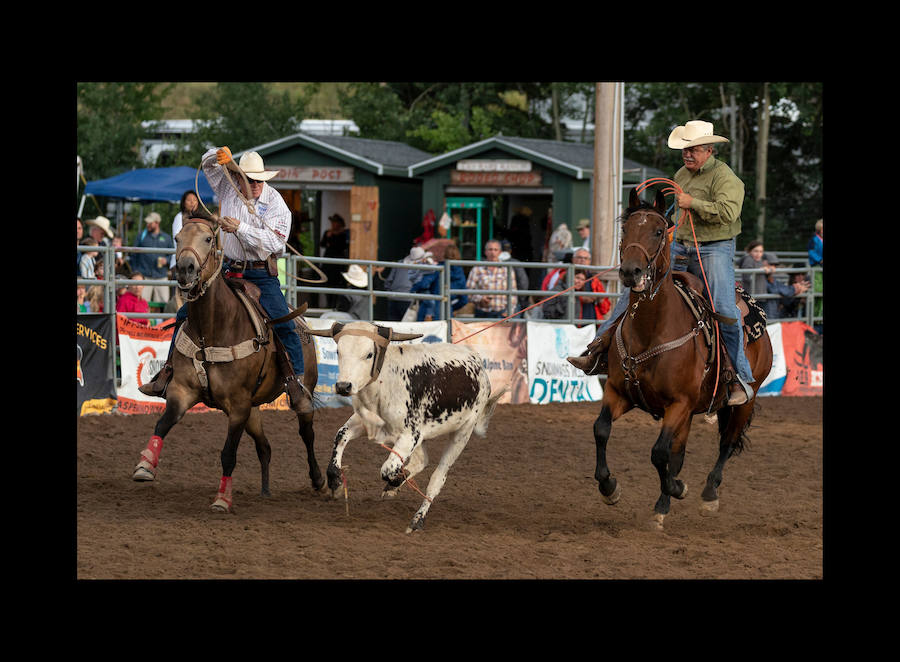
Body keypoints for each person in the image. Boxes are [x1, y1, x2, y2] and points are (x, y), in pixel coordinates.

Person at [570, 119, 755, 406]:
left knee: (723, 308)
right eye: (685, 149)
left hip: (715, 248)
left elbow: (729, 213)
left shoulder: (726, 178)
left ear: (708, 150)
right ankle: (597, 351)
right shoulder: (681, 173)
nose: (687, 154)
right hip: (680, 246)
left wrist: (692, 203)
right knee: (634, 290)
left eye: (692, 149)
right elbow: (672, 212)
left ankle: (741, 377)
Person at [140, 146, 312, 414]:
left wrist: (240, 228)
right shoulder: (228, 188)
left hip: (261, 273)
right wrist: (218, 154)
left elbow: (275, 243)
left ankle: (296, 383)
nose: (254, 184)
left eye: (258, 180)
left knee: (281, 319)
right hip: (230, 270)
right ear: (239, 176)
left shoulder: (277, 204)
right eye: (249, 179)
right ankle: (167, 372)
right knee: (186, 313)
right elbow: (207, 165)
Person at [465, 238, 517, 318]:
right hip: (482, 313)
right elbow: (468, 291)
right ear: (485, 252)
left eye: (495, 250)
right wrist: (480, 298)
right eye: (490, 249)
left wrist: (509, 311)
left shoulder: (507, 269)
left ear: (500, 253)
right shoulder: (477, 269)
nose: (493, 252)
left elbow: (513, 293)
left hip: (501, 313)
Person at [377, 246, 431, 321]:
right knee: (408, 326)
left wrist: (390, 293)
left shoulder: (399, 263)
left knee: (393, 324)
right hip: (408, 299)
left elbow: (388, 282)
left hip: (393, 297)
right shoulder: (423, 267)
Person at [131, 212, 174, 306]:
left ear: (157, 223)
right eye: (147, 223)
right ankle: (145, 321)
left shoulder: (166, 238)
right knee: (142, 304)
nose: (147, 225)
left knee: (163, 305)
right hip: (144, 277)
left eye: (150, 223)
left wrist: (166, 260)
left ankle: (160, 321)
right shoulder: (141, 236)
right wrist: (136, 272)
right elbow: (133, 254)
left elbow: (173, 255)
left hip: (161, 277)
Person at [543, 270, 608, 323]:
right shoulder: (556, 290)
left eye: (582, 280)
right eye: (577, 278)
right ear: (569, 277)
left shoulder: (576, 293)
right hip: (556, 329)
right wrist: (566, 302)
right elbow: (548, 312)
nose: (579, 282)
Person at [760, 252, 810, 321]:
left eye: (803, 274)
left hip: (775, 319)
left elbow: (778, 288)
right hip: (771, 319)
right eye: (798, 274)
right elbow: (775, 290)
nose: (800, 277)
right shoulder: (760, 277)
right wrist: (795, 291)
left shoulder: (773, 280)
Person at [320, 213, 350, 307]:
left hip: (338, 264)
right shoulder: (327, 232)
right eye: (332, 222)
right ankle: (329, 304)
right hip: (328, 264)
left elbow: (341, 246)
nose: (333, 224)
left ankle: (336, 305)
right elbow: (322, 244)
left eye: (335, 222)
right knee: (327, 283)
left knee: (338, 285)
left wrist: (332, 238)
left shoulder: (344, 234)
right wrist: (328, 237)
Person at [170, 190, 201, 269]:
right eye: (189, 200)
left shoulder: (201, 219)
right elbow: (177, 239)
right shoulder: (179, 217)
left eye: (194, 200)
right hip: (181, 260)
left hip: (198, 261)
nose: (192, 202)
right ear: (184, 203)